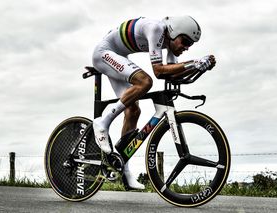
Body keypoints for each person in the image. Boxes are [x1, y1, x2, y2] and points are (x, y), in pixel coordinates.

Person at [92, 15, 216, 190]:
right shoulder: (156, 29)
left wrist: (198, 67)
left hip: (118, 56)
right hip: (104, 53)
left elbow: (172, 74)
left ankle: (124, 172)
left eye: (190, 45)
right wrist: (193, 62)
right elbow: (158, 71)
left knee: (133, 111)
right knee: (145, 82)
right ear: (174, 32)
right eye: (185, 41)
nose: (186, 48)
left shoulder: (171, 43)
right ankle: (103, 122)